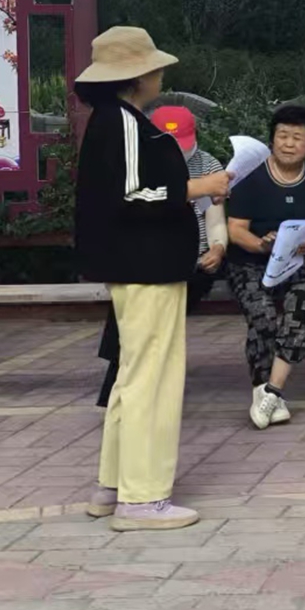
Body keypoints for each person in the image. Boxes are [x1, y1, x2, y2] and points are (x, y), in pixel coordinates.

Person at [74, 27, 229, 532]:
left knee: (133, 374)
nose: (160, 74)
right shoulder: (123, 121)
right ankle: (142, 498)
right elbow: (133, 194)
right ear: (138, 75)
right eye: (155, 67)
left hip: (140, 265)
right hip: (145, 265)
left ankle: (115, 485)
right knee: (152, 379)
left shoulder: (115, 119)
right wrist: (198, 186)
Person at [95, 105, 227, 408]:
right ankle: (125, 382)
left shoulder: (207, 165)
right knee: (135, 301)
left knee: (152, 309)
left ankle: (129, 387)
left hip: (193, 262)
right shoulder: (137, 167)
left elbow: (215, 218)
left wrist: (218, 248)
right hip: (148, 258)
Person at [227, 105, 305, 430]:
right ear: (271, 139)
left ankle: (271, 391)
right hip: (250, 261)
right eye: (282, 135)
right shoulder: (251, 177)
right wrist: (263, 244)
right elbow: (236, 229)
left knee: (298, 307)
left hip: (299, 259)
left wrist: (304, 242)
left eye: (297, 138)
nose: (288, 143)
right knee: (262, 314)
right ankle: (267, 393)